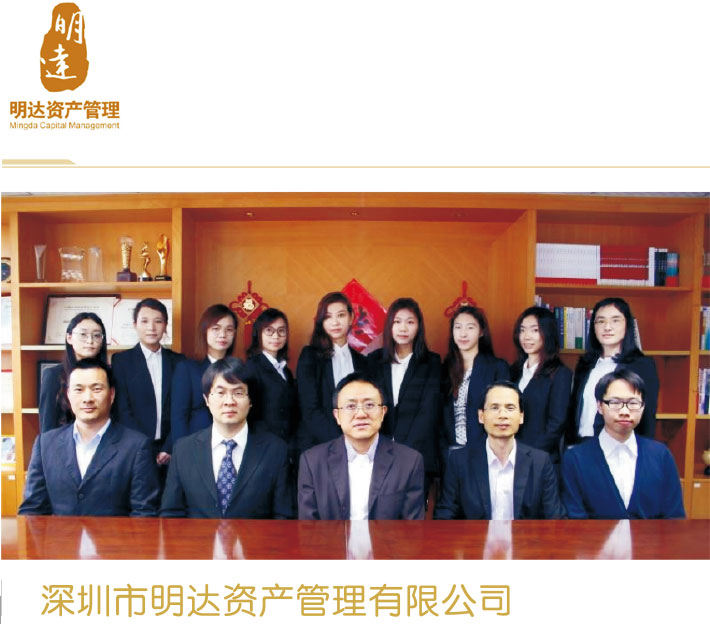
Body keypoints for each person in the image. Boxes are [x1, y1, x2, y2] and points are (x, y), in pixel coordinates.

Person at [19, 358, 160, 516]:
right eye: (79, 390)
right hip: (59, 533)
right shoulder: (45, 444)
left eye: (97, 389)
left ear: (111, 394)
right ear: (68, 395)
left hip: (113, 533)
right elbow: (32, 510)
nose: (87, 398)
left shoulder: (136, 446)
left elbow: (144, 513)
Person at [160, 357, 293, 518]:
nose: (229, 402)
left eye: (238, 393)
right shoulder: (183, 450)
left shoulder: (276, 451)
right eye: (221, 393)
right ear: (207, 399)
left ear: (251, 400)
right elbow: (171, 515)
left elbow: (283, 517)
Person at [298, 372, 425, 520]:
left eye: (369, 405)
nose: (361, 414)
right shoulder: (312, 462)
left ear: (383, 412)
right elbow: (309, 527)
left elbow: (411, 528)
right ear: (337, 416)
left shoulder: (409, 462)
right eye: (351, 406)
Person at [562, 368, 684, 519]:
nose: (624, 411)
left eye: (633, 403)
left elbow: (674, 517)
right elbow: (575, 519)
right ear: (599, 406)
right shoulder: (575, 459)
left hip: (652, 536)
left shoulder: (661, 455)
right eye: (615, 402)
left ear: (643, 407)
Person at [434, 381, 565, 520]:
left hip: (524, 535)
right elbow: (445, 516)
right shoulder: (459, 461)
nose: (503, 415)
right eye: (495, 407)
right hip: (476, 535)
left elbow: (555, 519)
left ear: (521, 416)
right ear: (481, 416)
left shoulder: (540, 462)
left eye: (510, 408)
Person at [367, 297, 441, 486]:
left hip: (417, 453)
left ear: (418, 327)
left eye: (410, 322)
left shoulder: (431, 362)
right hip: (378, 452)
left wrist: (404, 453)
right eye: (397, 322)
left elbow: (428, 411)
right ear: (389, 326)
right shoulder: (373, 361)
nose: (403, 328)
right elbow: (370, 407)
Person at [568, 297, 659, 444]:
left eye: (615, 320)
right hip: (581, 446)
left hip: (619, 446)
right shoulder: (585, 365)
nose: (607, 327)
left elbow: (647, 417)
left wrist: (642, 452)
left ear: (627, 325)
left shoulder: (641, 365)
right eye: (600, 321)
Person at [112, 298, 184, 475]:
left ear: (165, 325)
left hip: (170, 450)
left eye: (158, 321)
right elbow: (123, 410)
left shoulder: (179, 362)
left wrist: (169, 446)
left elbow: (182, 409)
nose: (151, 327)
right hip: (135, 448)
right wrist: (145, 447)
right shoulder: (121, 361)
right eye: (144, 321)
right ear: (135, 325)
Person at [296, 292, 367, 451]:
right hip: (317, 445)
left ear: (351, 318)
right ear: (321, 321)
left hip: (357, 444)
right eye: (328, 317)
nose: (335, 322)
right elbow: (310, 410)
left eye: (341, 315)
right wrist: (341, 442)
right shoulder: (310, 356)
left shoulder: (363, 362)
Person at [441, 306, 509, 460]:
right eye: (458, 327)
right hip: (451, 454)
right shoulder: (445, 369)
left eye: (470, 327)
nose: (463, 333)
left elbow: (502, 413)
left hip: (486, 452)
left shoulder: (497, 367)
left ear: (481, 332)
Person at [510, 306, 572, 463]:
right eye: (522, 330)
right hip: (509, 456)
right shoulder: (514, 371)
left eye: (535, 330)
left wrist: (529, 454)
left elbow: (557, 424)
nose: (526, 336)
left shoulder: (560, 373)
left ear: (547, 333)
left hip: (541, 459)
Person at [171, 304, 238, 445]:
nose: (222, 335)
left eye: (229, 329)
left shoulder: (238, 369)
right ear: (204, 331)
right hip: (197, 444)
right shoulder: (187, 368)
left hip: (232, 443)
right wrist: (182, 451)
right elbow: (179, 417)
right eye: (216, 329)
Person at [39, 312, 109, 432]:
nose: (90, 341)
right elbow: (47, 425)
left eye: (97, 335)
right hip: (64, 442)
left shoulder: (110, 374)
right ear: (69, 338)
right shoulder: (53, 375)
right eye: (83, 334)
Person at [243, 308, 298, 444]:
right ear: (259, 333)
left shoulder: (286, 370)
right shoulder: (252, 367)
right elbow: (250, 414)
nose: (276, 336)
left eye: (281, 331)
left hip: (287, 442)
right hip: (264, 442)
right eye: (269, 330)